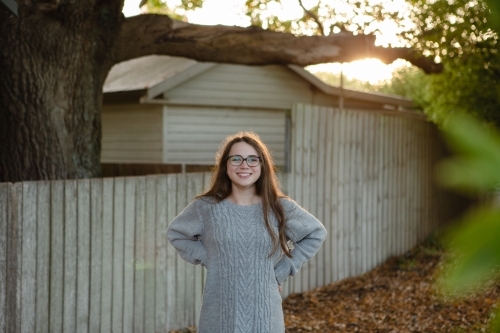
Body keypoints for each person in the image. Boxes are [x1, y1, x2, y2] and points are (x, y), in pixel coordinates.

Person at [167, 131, 327, 333]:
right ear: (226, 165)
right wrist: (210, 257)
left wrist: (281, 271)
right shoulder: (206, 207)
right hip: (219, 314)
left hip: (265, 315)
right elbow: (176, 233)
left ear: (262, 165)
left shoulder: (279, 207)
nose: (244, 165)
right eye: (236, 159)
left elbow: (315, 233)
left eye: (253, 159)